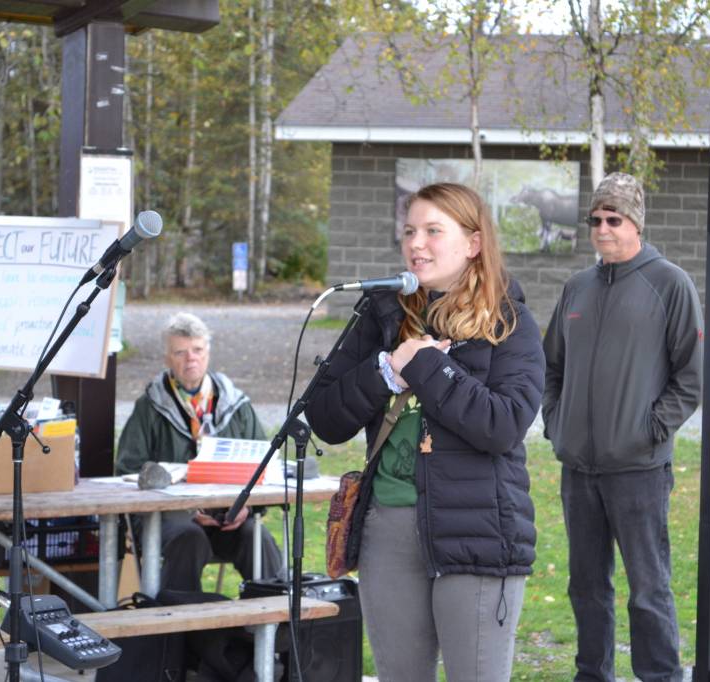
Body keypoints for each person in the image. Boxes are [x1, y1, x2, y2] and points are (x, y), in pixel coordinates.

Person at [306, 182, 545, 681]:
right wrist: (384, 373)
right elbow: (325, 417)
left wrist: (430, 368)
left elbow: (503, 426)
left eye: (434, 231)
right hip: (386, 527)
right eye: (410, 231)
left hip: (475, 530)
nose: (417, 243)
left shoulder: (510, 322)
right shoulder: (381, 315)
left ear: (473, 243)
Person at [542, 172, 703, 682]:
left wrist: (650, 429)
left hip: (639, 468)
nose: (603, 228)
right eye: (596, 219)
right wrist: (556, 423)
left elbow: (691, 376)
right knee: (586, 587)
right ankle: (593, 675)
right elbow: (551, 369)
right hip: (580, 470)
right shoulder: (577, 287)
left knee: (648, 587)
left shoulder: (669, 284)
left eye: (614, 219)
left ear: (635, 222)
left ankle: (659, 676)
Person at [115, 312, 282, 592]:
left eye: (197, 350)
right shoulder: (150, 407)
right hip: (168, 520)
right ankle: (177, 630)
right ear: (167, 359)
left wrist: (247, 507)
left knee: (258, 537)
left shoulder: (235, 404)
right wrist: (188, 507)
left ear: (208, 352)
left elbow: (263, 465)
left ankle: (268, 629)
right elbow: (128, 471)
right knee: (190, 538)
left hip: (227, 518)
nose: (190, 358)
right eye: (180, 352)